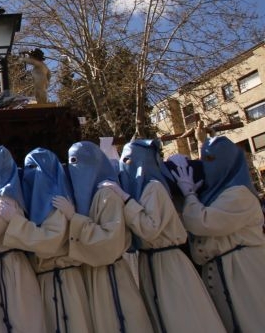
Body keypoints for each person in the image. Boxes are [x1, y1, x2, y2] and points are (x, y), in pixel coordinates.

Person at [100, 139, 225, 333]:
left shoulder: (154, 188)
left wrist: (125, 199)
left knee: (180, 315)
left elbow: (150, 229)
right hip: (149, 263)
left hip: (168, 263)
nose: (126, 166)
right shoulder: (140, 190)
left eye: (129, 160)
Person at [172, 136, 265, 332]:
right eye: (203, 159)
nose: (206, 165)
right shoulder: (210, 196)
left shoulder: (239, 194)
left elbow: (203, 222)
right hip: (219, 274)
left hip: (243, 271)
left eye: (211, 160)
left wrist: (189, 195)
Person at [59, 141, 152, 332]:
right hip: (94, 277)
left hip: (112, 275)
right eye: (71, 162)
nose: (74, 167)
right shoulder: (84, 197)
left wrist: (74, 218)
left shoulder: (106, 194)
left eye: (77, 161)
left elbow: (110, 241)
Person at [0, 147, 93, 333]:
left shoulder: (57, 201)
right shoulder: (35, 202)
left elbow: (49, 242)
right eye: (28, 168)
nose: (30, 174)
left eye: (34, 168)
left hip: (64, 281)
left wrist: (15, 221)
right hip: (45, 281)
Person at [0, 146, 45, 333]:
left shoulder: (6, 197)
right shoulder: (0, 196)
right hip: (1, 266)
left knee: (18, 319)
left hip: (12, 267)